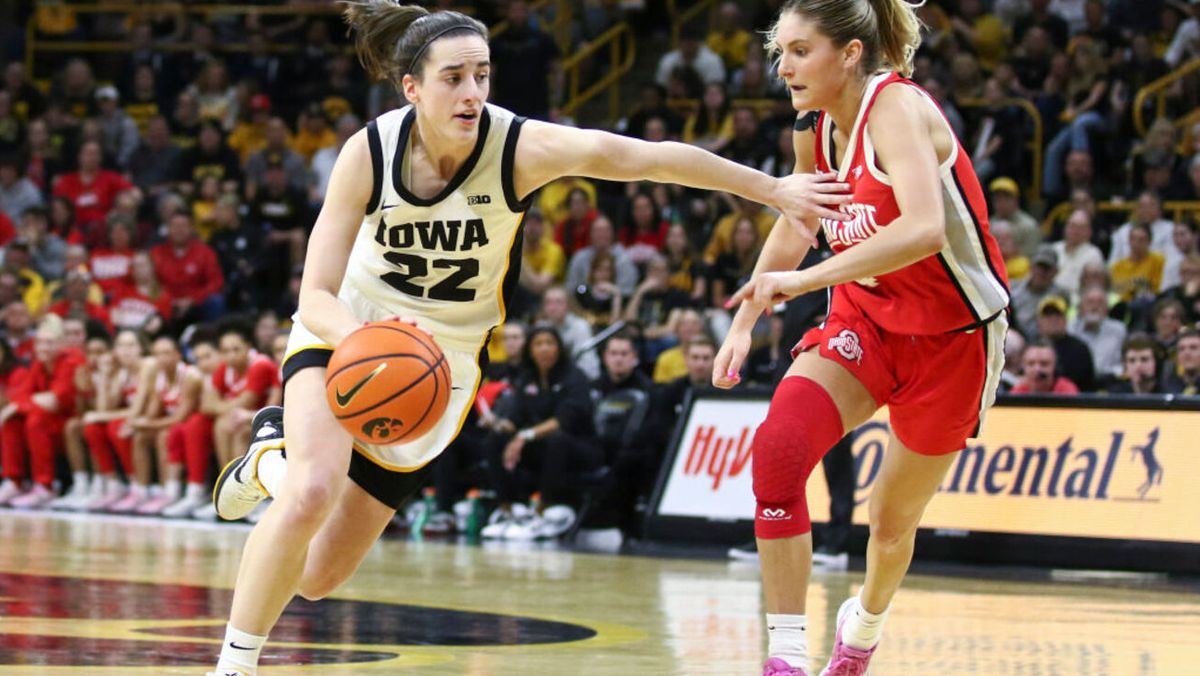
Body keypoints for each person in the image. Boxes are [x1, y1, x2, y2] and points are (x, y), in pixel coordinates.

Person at [205, 4, 851, 675]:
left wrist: (774, 190)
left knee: (317, 577)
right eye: (453, 78)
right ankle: (234, 665)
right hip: (349, 329)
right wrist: (368, 340)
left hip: (443, 363)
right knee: (311, 491)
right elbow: (313, 295)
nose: (472, 93)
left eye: (482, 75)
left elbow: (645, 159)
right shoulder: (368, 152)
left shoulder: (515, 148)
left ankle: (267, 460)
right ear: (412, 88)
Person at [712, 2, 1010, 674]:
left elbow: (923, 230)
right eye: (780, 52)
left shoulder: (896, 107)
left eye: (799, 51)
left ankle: (863, 630)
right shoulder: (813, 129)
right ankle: (786, 656)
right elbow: (798, 221)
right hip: (864, 321)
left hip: (952, 339)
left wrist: (803, 281)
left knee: (891, 522)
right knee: (779, 453)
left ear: (849, 54)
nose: (783, 68)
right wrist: (744, 321)